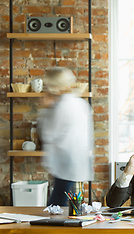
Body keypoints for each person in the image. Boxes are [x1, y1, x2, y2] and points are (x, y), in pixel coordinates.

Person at [38, 67, 94, 206]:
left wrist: (44, 109)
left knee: (57, 202)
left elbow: (48, 134)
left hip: (65, 160)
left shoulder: (62, 105)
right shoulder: (81, 103)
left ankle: (53, 226)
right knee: (66, 199)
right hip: (78, 158)